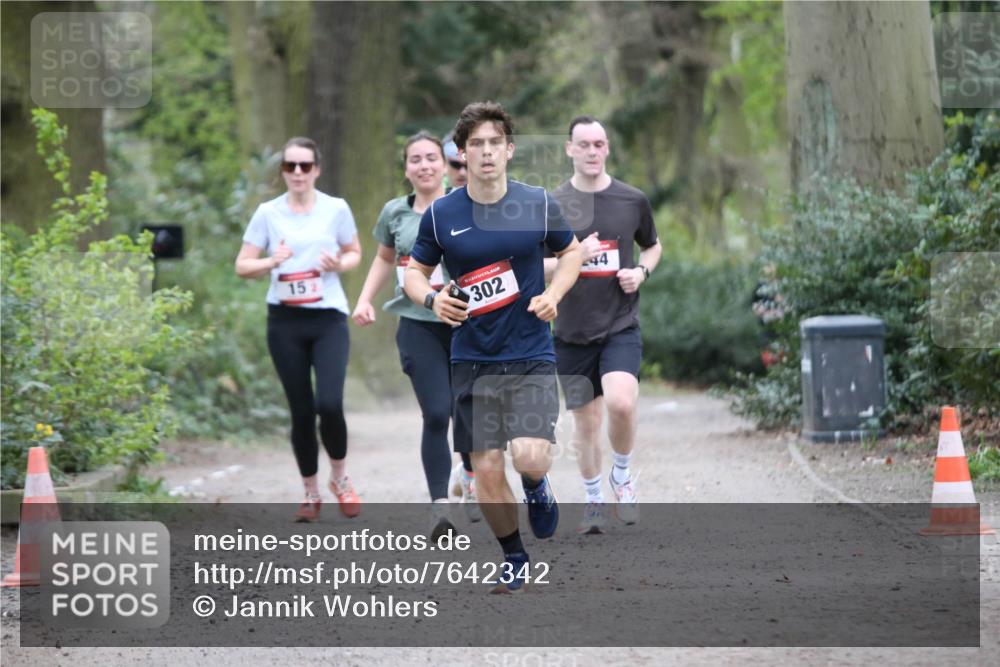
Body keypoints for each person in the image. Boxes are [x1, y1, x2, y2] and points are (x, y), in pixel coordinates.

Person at [405, 101, 582, 593]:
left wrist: (553, 294)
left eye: (494, 144)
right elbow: (414, 273)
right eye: (475, 145)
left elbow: (572, 252)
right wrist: (433, 298)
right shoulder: (442, 215)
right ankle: (513, 556)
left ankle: (535, 486)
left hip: (529, 353)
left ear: (509, 149)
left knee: (528, 457)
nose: (485, 153)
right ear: (462, 153)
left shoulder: (537, 202)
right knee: (484, 466)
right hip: (472, 356)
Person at [351, 131, 481, 539]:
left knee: (468, 410)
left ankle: (473, 473)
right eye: (415, 160)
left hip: (465, 322)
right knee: (437, 413)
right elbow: (384, 259)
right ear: (406, 169)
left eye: (431, 158)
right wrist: (364, 299)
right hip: (416, 323)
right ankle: (441, 508)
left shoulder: (467, 206)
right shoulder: (395, 212)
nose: (424, 166)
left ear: (445, 165)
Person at [235, 136, 363, 523]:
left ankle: (339, 479)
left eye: (305, 166)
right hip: (285, 321)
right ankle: (310, 492)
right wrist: (271, 261)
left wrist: (337, 264)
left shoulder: (335, 209)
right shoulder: (268, 213)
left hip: (327, 319)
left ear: (316, 170)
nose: (297, 173)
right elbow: (243, 265)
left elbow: (355, 252)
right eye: (290, 166)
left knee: (329, 404)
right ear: (283, 172)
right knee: (302, 412)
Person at [546, 116, 662, 534]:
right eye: (584, 144)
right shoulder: (552, 204)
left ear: (607, 148)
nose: (592, 152)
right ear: (569, 150)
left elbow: (652, 246)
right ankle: (593, 498)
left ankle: (623, 475)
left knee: (621, 403)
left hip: (619, 325)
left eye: (599, 144)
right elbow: (533, 266)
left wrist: (642, 273)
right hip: (571, 331)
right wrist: (575, 256)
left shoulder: (631, 200)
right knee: (586, 424)